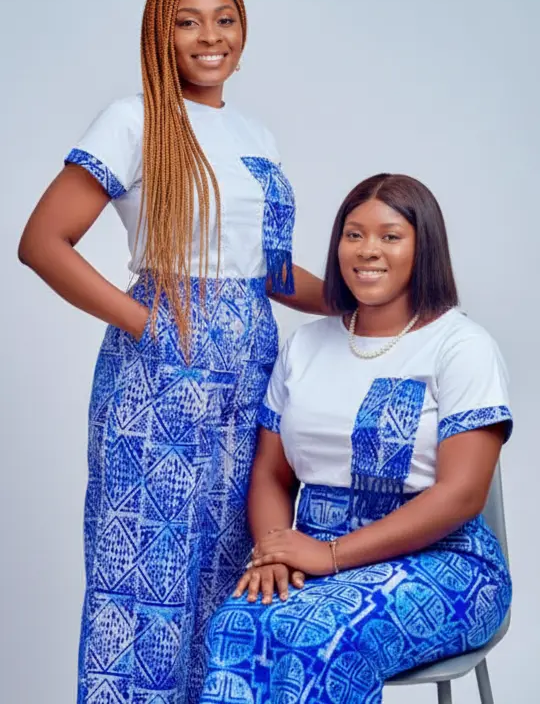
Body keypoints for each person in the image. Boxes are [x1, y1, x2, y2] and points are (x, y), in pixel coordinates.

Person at [18, 0, 328, 703]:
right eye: (188, 21)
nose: (209, 36)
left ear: (243, 32)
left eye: (225, 19)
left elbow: (272, 273)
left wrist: (364, 304)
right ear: (161, 35)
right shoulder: (134, 119)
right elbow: (42, 242)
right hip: (159, 376)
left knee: (232, 568)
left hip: (250, 372)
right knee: (143, 585)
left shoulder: (258, 135)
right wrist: (147, 322)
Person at [200, 173, 513, 704]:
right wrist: (275, 552)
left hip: (445, 561)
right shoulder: (305, 345)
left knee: (317, 638)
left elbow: (462, 494)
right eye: (354, 234)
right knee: (235, 625)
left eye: (391, 236)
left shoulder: (461, 345)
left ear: (424, 247)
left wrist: (332, 555)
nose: (368, 250)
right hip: (312, 552)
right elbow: (272, 474)